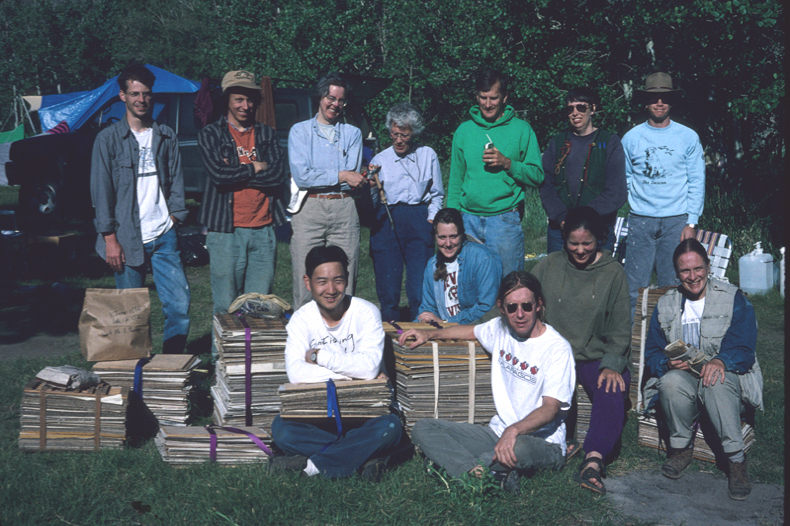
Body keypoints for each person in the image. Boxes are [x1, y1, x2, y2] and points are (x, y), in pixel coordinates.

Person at [399, 271, 575, 494]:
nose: (520, 314)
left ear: (538, 304)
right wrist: (430, 335)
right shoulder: (500, 328)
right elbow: (469, 330)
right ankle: (482, 475)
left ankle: (457, 469)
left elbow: (550, 409)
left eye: (526, 306)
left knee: (518, 447)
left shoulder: (557, 348)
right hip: (498, 432)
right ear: (502, 308)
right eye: (512, 307)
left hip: (540, 440)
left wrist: (514, 431)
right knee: (424, 428)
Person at [270, 246, 404, 481]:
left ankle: (314, 465)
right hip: (318, 413)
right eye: (322, 282)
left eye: (338, 281)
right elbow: (296, 373)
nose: (331, 290)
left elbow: (369, 366)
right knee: (282, 429)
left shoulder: (366, 312)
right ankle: (363, 456)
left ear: (348, 280)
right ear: (308, 282)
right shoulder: (302, 319)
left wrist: (319, 356)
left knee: (390, 427)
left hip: (367, 413)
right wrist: (352, 375)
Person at [643, 239, 762, 501]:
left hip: (728, 385)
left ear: (708, 267)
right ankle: (681, 448)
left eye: (698, 268)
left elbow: (744, 348)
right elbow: (651, 352)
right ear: (677, 273)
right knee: (670, 382)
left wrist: (721, 361)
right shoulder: (666, 304)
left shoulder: (733, 298)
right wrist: (666, 363)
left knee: (714, 378)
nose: (692, 276)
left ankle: (736, 460)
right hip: (686, 382)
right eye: (685, 271)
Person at [90, 64, 190, 354]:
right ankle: (134, 372)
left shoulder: (166, 136)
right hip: (126, 237)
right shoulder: (107, 140)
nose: (141, 100)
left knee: (180, 306)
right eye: (134, 93)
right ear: (122, 96)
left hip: (164, 235)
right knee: (130, 313)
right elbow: (101, 192)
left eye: (146, 94)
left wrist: (173, 217)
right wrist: (110, 239)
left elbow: (177, 181)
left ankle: (171, 366)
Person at [531, 206, 631, 495]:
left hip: (594, 356)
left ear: (599, 239)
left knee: (612, 388)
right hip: (556, 354)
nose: (579, 250)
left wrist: (612, 363)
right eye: (573, 243)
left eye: (586, 243)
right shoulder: (550, 264)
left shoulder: (613, 273)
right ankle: (559, 443)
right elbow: (520, 295)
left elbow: (620, 327)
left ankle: (593, 461)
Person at [197, 69, 287, 357]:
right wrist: (254, 167)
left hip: (263, 230)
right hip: (226, 231)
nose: (245, 106)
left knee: (260, 308)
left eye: (249, 99)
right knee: (226, 306)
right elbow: (219, 175)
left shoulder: (267, 134)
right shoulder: (211, 134)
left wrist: (238, 172)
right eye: (238, 99)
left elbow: (277, 176)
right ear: (227, 101)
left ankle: (253, 367)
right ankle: (223, 366)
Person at [622, 72, 705, 316]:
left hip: (676, 221)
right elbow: (625, 178)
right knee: (634, 288)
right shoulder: (631, 138)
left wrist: (691, 222)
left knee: (673, 286)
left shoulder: (688, 137)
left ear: (672, 101)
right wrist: (635, 205)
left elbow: (697, 181)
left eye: (664, 98)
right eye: (654, 98)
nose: (659, 103)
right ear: (646, 102)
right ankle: (633, 346)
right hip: (640, 220)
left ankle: (673, 344)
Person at [447, 69, 543, 276]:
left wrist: (508, 163)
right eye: (483, 97)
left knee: (509, 284)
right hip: (468, 219)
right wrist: (453, 219)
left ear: (504, 98)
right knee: (470, 284)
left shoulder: (521, 129)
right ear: (476, 96)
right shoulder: (464, 131)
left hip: (504, 220)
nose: (488, 104)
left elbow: (537, 175)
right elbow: (456, 180)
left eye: (493, 98)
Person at [288, 73, 365, 309]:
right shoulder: (300, 132)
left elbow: (352, 180)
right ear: (320, 97)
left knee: (346, 275)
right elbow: (302, 176)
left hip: (344, 208)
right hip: (309, 207)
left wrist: (325, 175)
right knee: (305, 274)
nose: (335, 105)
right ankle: (306, 337)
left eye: (341, 100)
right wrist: (340, 175)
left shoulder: (353, 134)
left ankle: (342, 336)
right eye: (330, 98)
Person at [368, 102, 444, 322]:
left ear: (414, 133)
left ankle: (420, 324)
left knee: (418, 284)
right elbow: (371, 202)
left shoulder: (427, 155)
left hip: (419, 220)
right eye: (394, 134)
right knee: (388, 285)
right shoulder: (380, 160)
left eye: (404, 135)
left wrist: (430, 220)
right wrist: (371, 188)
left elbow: (437, 194)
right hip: (387, 219)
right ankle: (388, 329)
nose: (399, 140)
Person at [539, 88, 627, 253]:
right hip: (561, 229)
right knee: (558, 276)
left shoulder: (609, 142)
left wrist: (584, 218)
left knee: (599, 277)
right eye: (570, 108)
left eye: (581, 107)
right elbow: (546, 185)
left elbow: (616, 191)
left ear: (592, 109)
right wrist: (561, 216)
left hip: (598, 227)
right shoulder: (557, 143)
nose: (575, 113)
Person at [415, 208, 502, 325]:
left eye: (453, 236)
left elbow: (487, 307)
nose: (448, 244)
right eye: (442, 237)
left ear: (462, 234)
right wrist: (424, 319)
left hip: (475, 327)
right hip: (443, 329)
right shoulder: (432, 265)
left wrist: (447, 322)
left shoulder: (482, 258)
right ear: (435, 236)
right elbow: (428, 307)